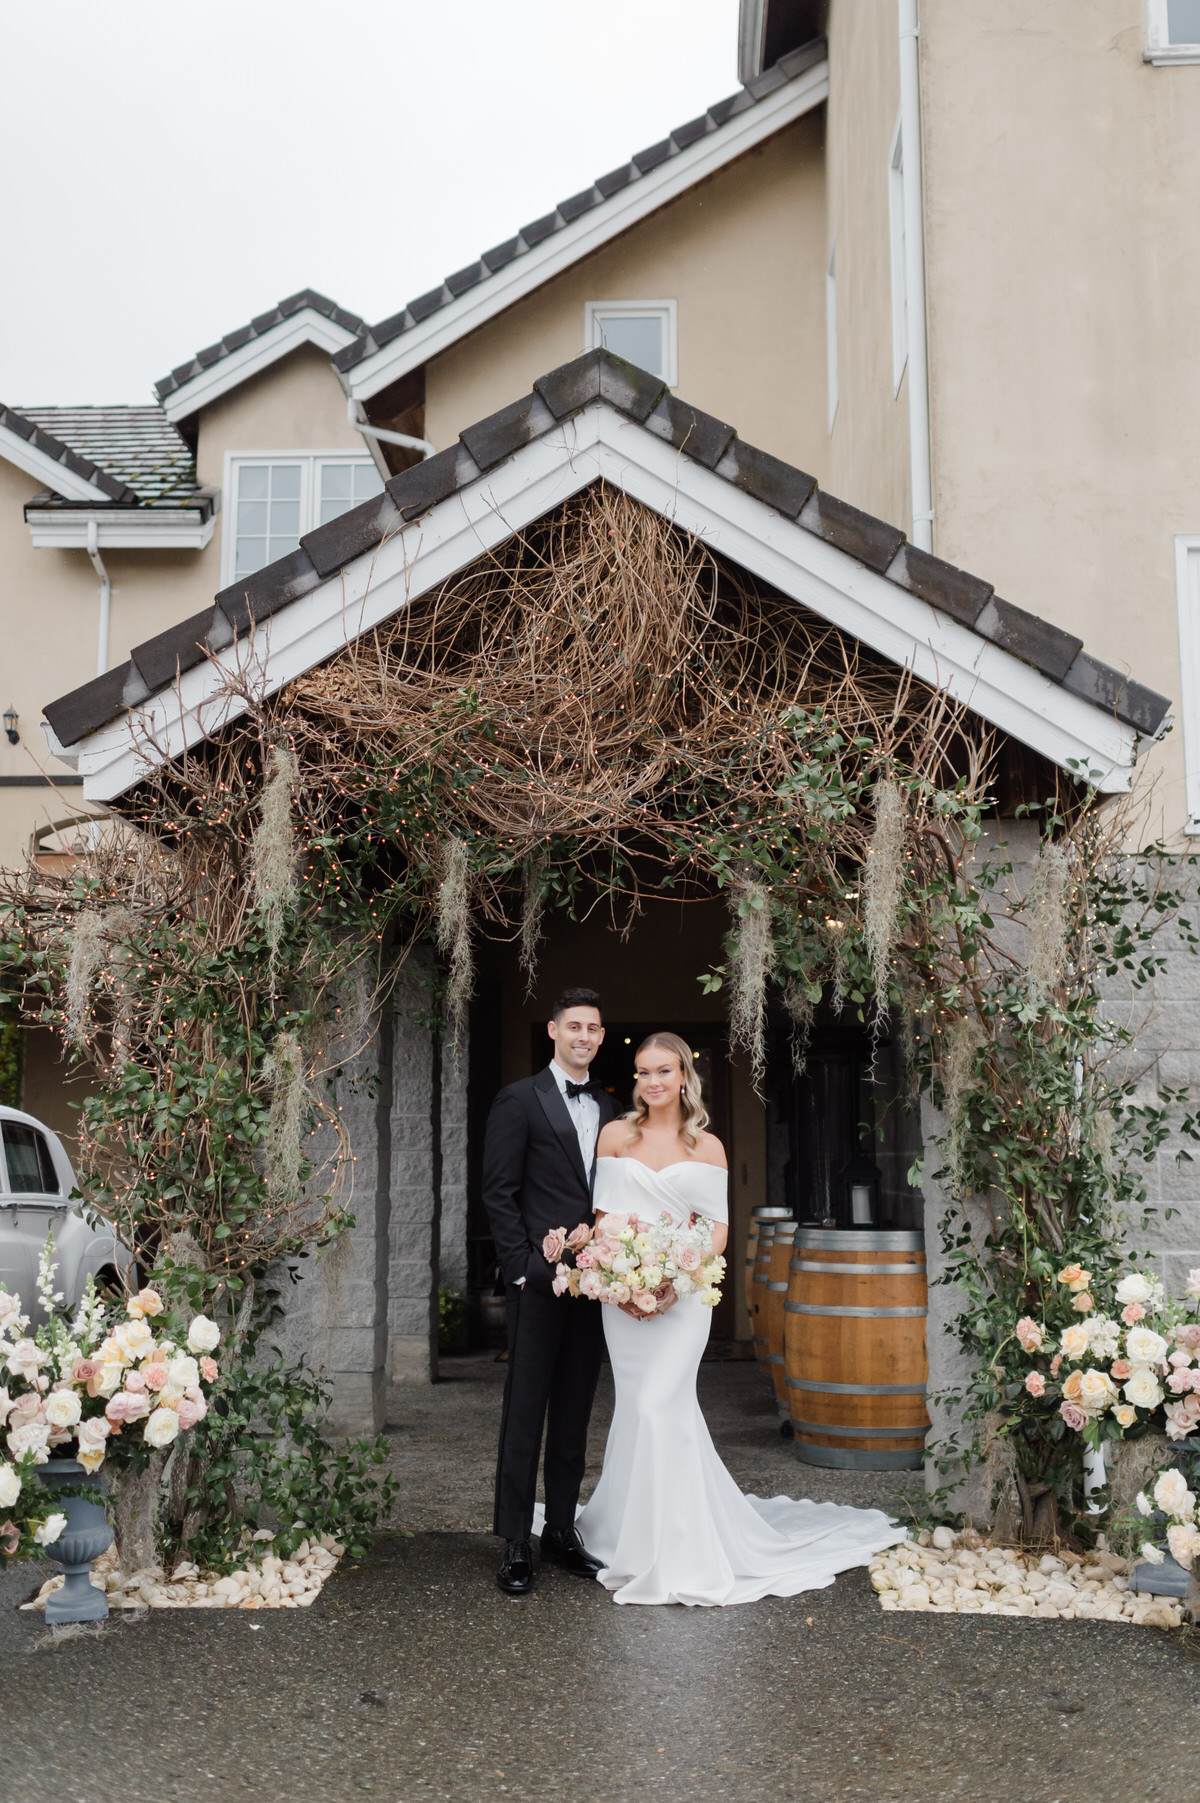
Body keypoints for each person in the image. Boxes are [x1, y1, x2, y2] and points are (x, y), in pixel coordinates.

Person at [570, 1031, 906, 1606]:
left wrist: (676, 1280)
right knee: (641, 1408)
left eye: (663, 1071)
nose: (652, 1082)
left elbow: (718, 1229)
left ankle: (677, 1545)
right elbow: (603, 1216)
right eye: (642, 1072)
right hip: (623, 1299)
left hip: (684, 1299)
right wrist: (621, 1277)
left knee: (660, 1405)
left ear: (683, 1077)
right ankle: (632, 1530)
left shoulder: (708, 1146)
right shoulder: (615, 1136)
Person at [482, 987, 618, 1595]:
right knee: (525, 1411)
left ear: (601, 1036)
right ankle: (515, 1537)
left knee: (573, 1412)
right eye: (574, 1027)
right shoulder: (519, 1100)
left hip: (595, 1287)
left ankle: (560, 1529)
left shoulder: (614, 1108)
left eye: (593, 1027)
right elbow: (499, 1192)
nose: (584, 1036)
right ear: (553, 1031)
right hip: (538, 1286)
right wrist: (522, 1270)